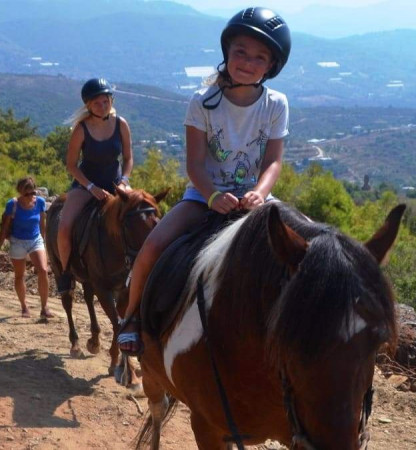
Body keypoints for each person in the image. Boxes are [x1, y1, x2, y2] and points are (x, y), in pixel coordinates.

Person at [118, 7, 292, 355]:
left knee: (306, 247)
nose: (248, 61)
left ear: (271, 66)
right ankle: (131, 316)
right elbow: (195, 164)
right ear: (227, 51)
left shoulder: (276, 104)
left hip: (254, 200)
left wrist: (259, 193)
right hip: (203, 197)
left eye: (260, 57)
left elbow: (273, 161)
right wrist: (212, 197)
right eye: (241, 51)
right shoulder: (202, 103)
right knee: (153, 246)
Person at [56, 78, 134, 293]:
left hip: (116, 183)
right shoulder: (81, 129)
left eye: (106, 100)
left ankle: (140, 266)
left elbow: (128, 158)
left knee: (141, 215)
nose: (103, 105)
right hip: (86, 185)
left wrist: (125, 180)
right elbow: (71, 165)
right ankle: (65, 273)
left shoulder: (121, 124)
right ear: (88, 105)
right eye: (97, 102)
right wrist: (90, 187)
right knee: (64, 227)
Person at [0, 177, 54, 319]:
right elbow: (5, 226)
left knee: (43, 271)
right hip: (17, 241)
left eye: (33, 193)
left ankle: (44, 307)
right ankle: (24, 306)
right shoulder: (12, 205)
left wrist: (44, 243)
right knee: (20, 275)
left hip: (35, 240)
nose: (31, 196)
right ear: (20, 192)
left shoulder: (40, 203)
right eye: (27, 194)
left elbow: (42, 224)